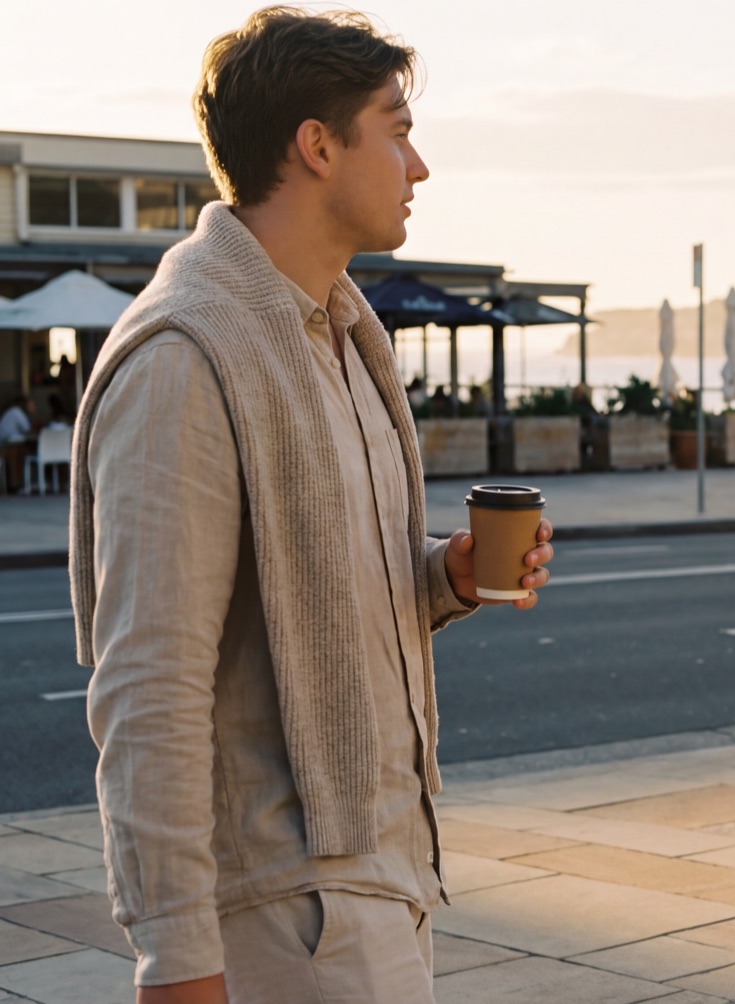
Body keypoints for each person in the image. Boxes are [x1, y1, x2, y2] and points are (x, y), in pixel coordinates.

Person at [67, 9, 555, 1003]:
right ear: (319, 146)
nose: (419, 165)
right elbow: (148, 683)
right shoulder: (186, 360)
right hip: (284, 913)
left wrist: (442, 574)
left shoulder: (335, 334)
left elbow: (309, 578)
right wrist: (175, 959)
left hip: (376, 879)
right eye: (397, 128)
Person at [0, 394, 33, 493]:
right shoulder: (16, 412)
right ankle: (16, 483)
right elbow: (28, 429)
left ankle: (18, 483)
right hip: (5, 446)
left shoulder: (12, 412)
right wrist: (32, 414)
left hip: (7, 444)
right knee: (18, 451)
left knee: (21, 450)